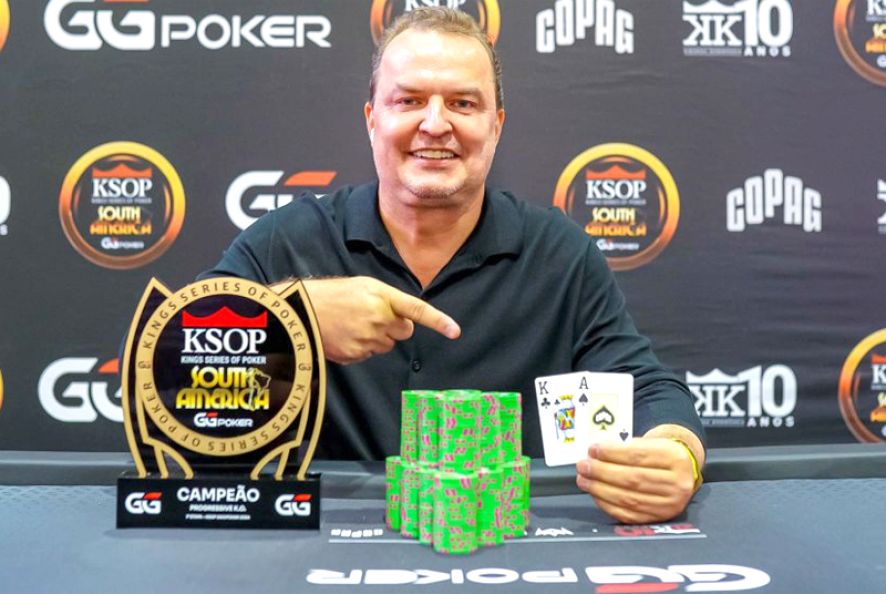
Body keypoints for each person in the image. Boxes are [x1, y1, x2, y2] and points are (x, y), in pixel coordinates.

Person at [201, 8, 705, 524]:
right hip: (325, 535)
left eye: (463, 103)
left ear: (496, 126)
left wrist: (677, 452)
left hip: (506, 540)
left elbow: (647, 387)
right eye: (409, 101)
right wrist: (289, 316)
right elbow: (168, 354)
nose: (436, 124)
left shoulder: (559, 253)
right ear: (372, 119)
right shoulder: (289, 240)